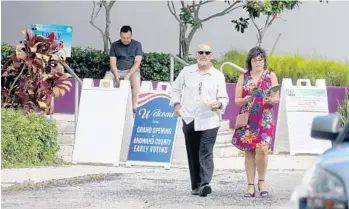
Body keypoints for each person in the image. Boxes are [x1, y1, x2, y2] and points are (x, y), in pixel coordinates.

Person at [169, 43, 229, 197]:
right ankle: (196, 185)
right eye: (201, 52)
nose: (204, 55)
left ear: (212, 56)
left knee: (206, 151)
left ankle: (205, 183)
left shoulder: (218, 76)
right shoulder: (186, 71)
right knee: (193, 152)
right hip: (189, 117)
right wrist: (176, 104)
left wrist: (219, 104)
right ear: (196, 55)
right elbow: (175, 88)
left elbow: (223, 98)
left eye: (207, 52)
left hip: (210, 119)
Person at [232, 46, 280, 198]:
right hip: (248, 118)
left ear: (264, 61)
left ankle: (262, 181)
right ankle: (250, 185)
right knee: (249, 152)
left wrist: (270, 99)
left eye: (260, 59)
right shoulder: (243, 77)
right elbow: (237, 101)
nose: (258, 62)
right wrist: (245, 99)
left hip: (264, 118)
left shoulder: (270, 75)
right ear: (250, 61)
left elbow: (276, 98)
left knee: (263, 149)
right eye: (254, 60)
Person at [105, 25, 143, 113]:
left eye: (128, 37)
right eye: (123, 37)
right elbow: (112, 63)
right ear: (120, 36)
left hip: (132, 70)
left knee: (136, 85)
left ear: (131, 36)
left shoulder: (137, 45)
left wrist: (128, 75)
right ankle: (108, 105)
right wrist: (116, 74)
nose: (125, 39)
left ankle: (134, 108)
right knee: (106, 81)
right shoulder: (114, 45)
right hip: (117, 69)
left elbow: (137, 62)